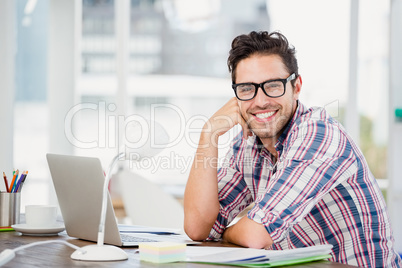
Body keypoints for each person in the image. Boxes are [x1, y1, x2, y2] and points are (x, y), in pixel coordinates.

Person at [183, 30, 402, 267]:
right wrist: (209, 134)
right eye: (247, 89)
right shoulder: (247, 144)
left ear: (296, 87)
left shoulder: (318, 134)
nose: (260, 101)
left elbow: (256, 235)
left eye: (273, 86)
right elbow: (198, 228)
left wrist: (227, 232)